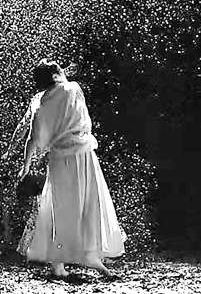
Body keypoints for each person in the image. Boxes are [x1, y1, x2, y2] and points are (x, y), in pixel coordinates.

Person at [18, 59, 125, 280]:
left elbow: (33, 139)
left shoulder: (41, 104)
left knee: (61, 208)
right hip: (83, 156)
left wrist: (25, 167)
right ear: (56, 74)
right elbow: (64, 89)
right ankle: (88, 255)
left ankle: (60, 263)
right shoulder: (73, 89)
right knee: (88, 205)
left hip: (60, 160)